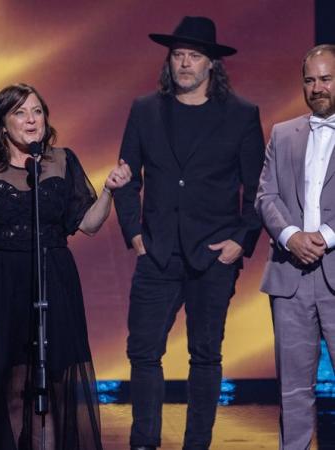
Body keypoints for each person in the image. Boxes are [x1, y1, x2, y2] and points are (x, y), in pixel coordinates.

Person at [113, 16, 265, 450]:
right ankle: (144, 442)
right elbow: (126, 178)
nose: (184, 64)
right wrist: (134, 234)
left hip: (213, 253)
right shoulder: (145, 109)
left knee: (205, 355)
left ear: (211, 64)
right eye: (177, 55)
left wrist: (241, 240)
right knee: (143, 352)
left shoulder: (241, 115)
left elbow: (257, 188)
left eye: (193, 56)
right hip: (157, 251)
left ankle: (196, 444)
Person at [0, 83, 131, 450]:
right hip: (2, 283)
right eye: (19, 112)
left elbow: (89, 224)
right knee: (14, 386)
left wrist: (110, 190)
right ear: (2, 124)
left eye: (37, 111)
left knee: (50, 388)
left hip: (52, 278)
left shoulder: (62, 160)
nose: (31, 119)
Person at [256, 44, 335, 450]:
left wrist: (325, 236)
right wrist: (290, 236)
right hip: (290, 277)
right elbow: (266, 195)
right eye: (310, 80)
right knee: (293, 390)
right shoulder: (283, 134)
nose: (317, 87)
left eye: (326, 78)